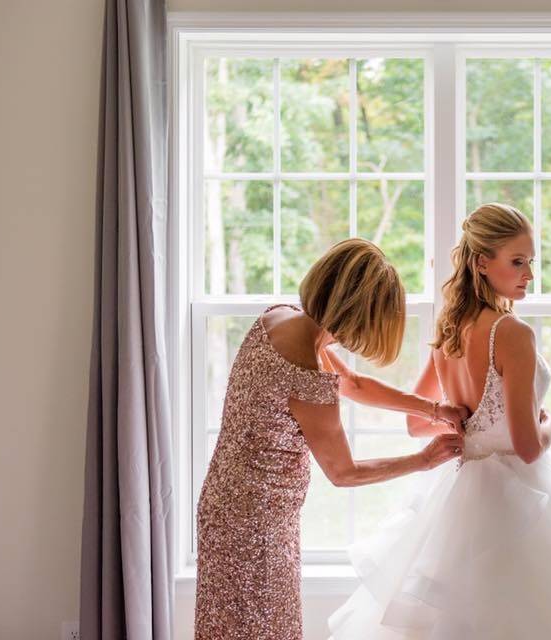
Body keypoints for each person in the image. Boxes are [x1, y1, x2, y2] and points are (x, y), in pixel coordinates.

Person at [328, 205, 551, 639]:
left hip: (460, 498)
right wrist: (550, 424)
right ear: (481, 263)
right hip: (519, 503)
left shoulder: (450, 329)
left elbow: (418, 425)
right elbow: (528, 446)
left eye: (531, 262)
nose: (528, 273)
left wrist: (458, 425)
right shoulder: (512, 333)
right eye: (517, 261)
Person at [195, 238, 468, 640]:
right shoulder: (304, 372)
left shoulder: (281, 318)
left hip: (224, 506)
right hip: (257, 531)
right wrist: (422, 460)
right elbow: (344, 472)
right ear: (357, 315)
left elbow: (353, 384)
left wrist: (432, 409)